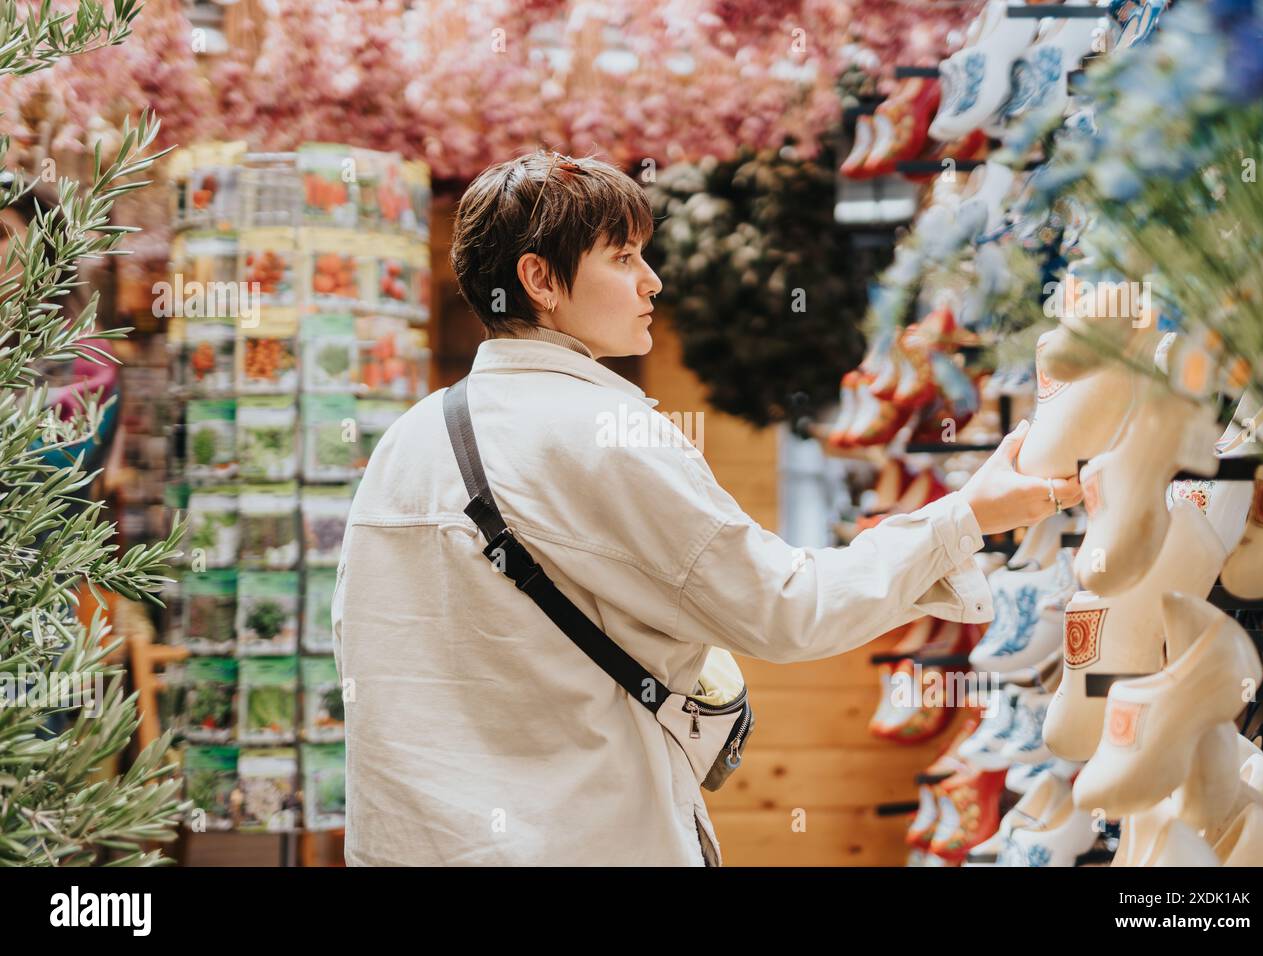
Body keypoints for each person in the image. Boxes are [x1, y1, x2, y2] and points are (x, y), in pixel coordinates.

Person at [332, 149, 1082, 867]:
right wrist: (965, 518)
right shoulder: (602, 433)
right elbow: (785, 608)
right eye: (622, 258)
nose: (652, 282)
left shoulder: (409, 440)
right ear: (540, 279)